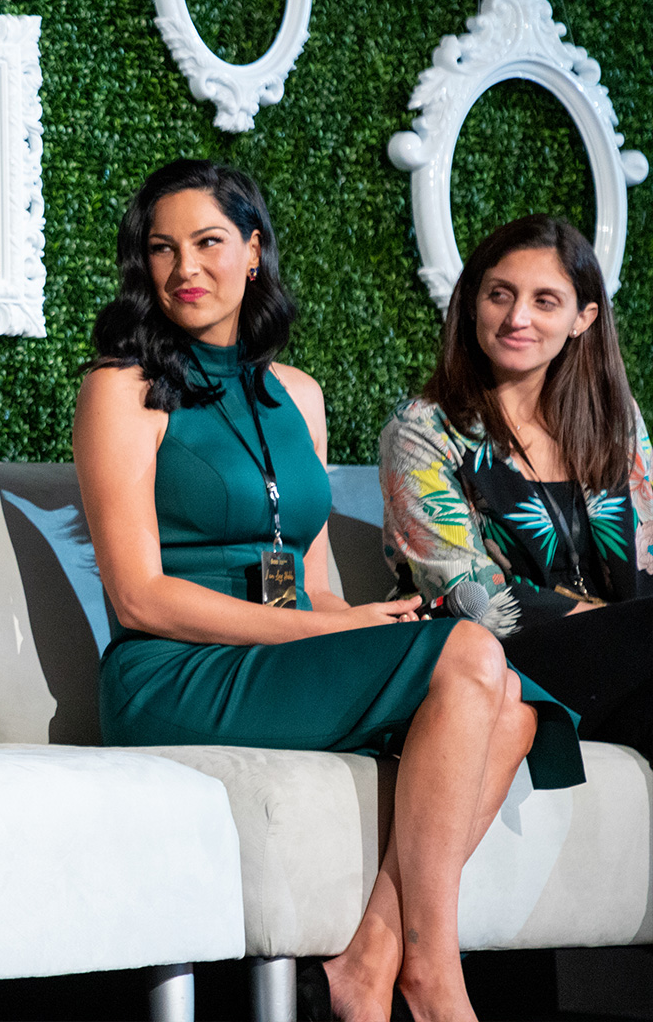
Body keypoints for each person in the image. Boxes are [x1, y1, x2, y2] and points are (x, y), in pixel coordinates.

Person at [72, 159, 583, 1022]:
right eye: (161, 250)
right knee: (472, 650)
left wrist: (357, 619)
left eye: (208, 243)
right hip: (173, 673)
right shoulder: (119, 388)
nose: (184, 269)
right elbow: (140, 598)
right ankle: (437, 978)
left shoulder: (296, 395)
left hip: (274, 657)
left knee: (510, 702)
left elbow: (303, 583)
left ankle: (375, 956)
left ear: (254, 251)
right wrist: (324, 638)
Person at [381, 215, 652, 761]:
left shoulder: (614, 421)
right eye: (499, 295)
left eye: (545, 301)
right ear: (472, 304)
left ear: (583, 318)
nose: (517, 318)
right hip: (491, 666)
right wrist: (623, 629)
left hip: (624, 661)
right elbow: (470, 598)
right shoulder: (423, 429)